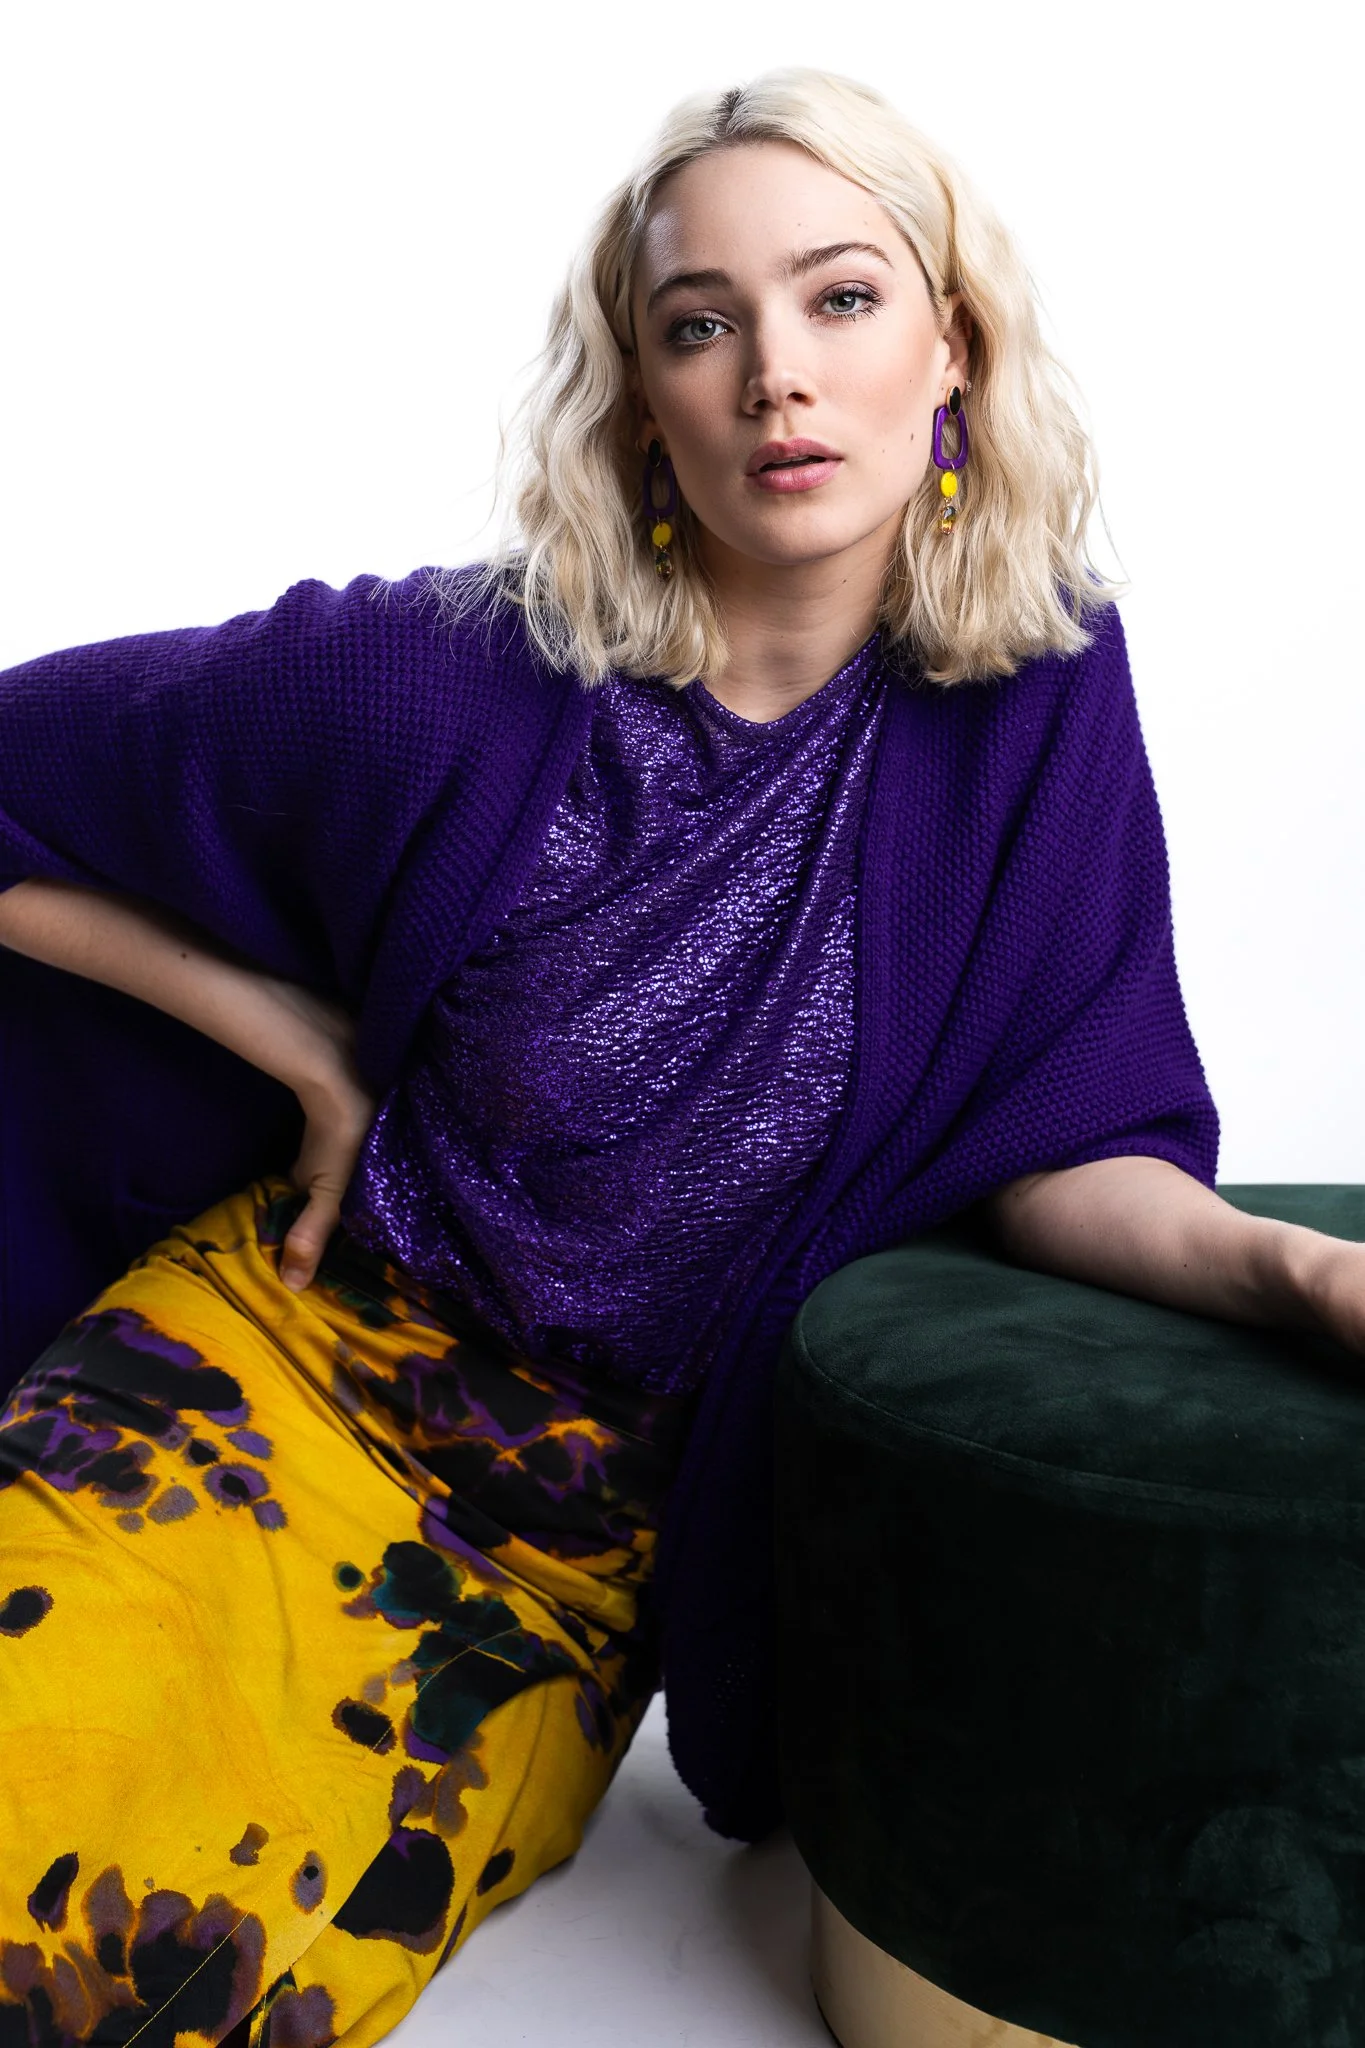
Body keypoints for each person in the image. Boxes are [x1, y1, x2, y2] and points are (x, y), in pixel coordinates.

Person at [1, 63, 1362, 2048]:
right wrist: (289, 1039)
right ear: (643, 399)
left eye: (840, 298)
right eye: (701, 324)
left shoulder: (1031, 698)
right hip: (268, 1369)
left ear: (953, 345)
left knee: (166, 1981)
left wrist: (1297, 1271)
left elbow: (1061, 1131)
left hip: (556, 1572)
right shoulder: (444, 674)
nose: (776, 376)